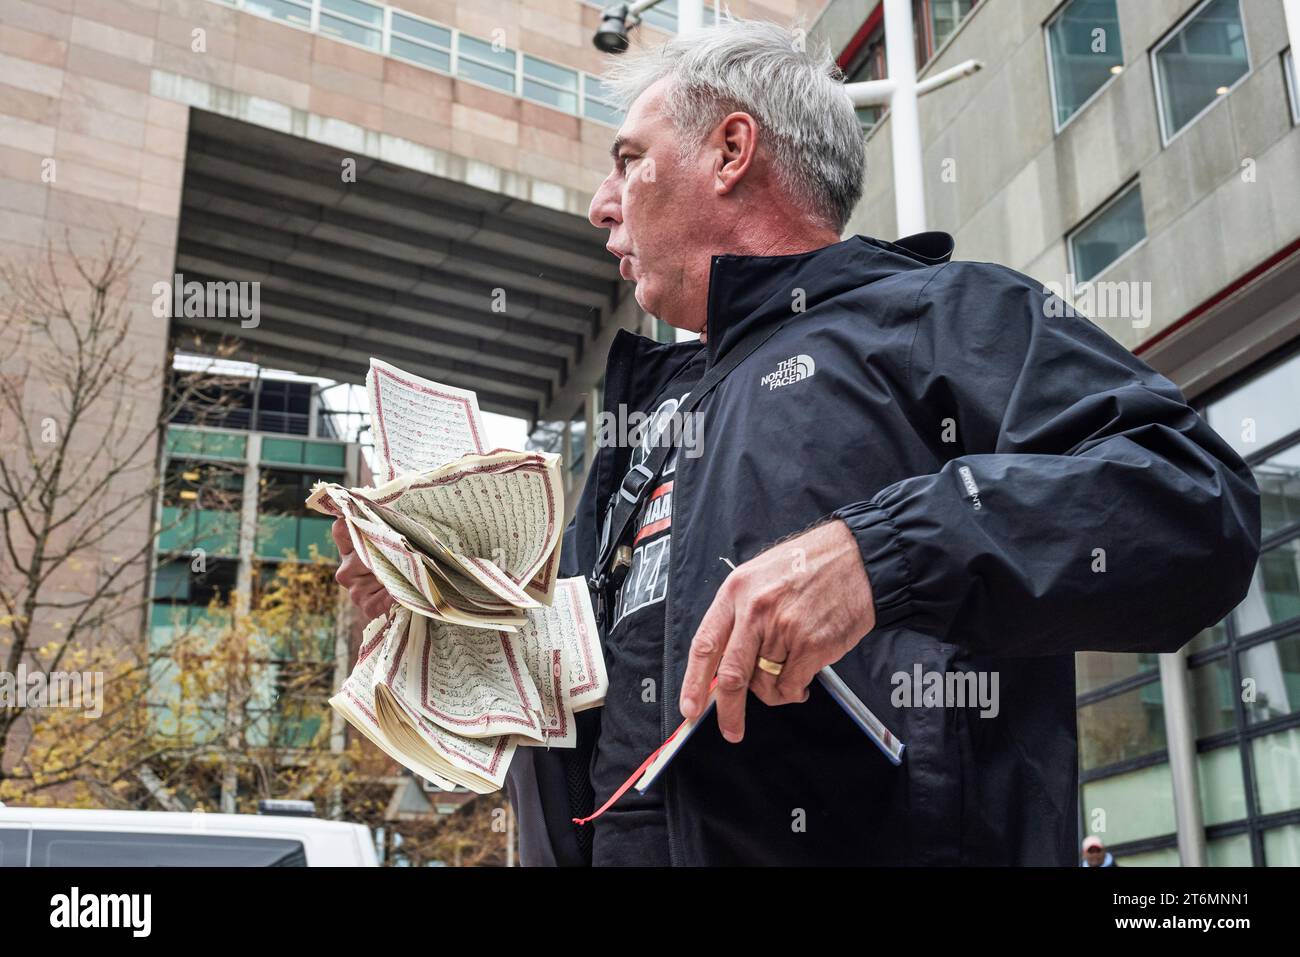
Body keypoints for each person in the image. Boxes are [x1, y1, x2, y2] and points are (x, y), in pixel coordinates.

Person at [334, 18, 1260, 866]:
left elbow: (1196, 506)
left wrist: (882, 553)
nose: (600, 204)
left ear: (731, 150)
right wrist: (443, 615)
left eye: (629, 160)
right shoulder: (643, 424)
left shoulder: (948, 316)